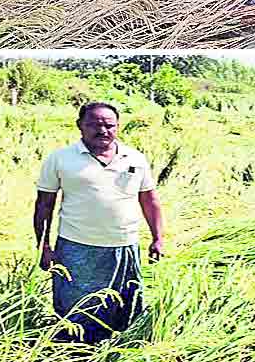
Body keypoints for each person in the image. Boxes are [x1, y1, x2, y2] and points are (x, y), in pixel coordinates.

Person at [35, 102, 165, 343]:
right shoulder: (61, 159)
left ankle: (117, 350)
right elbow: (44, 205)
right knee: (76, 311)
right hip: (76, 248)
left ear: (117, 127)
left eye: (109, 125)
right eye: (94, 125)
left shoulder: (134, 158)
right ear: (79, 126)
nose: (102, 130)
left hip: (124, 246)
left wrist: (158, 238)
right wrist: (43, 247)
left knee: (125, 307)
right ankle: (75, 352)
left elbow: (149, 200)